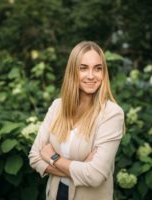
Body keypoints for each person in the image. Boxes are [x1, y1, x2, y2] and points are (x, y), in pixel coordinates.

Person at [29, 41, 125, 200]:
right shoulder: (57, 107)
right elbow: (34, 157)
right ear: (73, 71)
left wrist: (53, 158)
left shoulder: (112, 114)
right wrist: (81, 168)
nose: (91, 75)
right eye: (83, 68)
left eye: (98, 68)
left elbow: (95, 175)